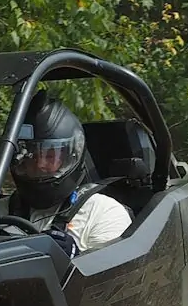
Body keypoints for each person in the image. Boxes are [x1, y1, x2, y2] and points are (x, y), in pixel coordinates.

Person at [9, 90, 133, 255]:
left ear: (72, 156)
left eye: (50, 155)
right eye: (30, 155)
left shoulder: (104, 213)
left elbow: (115, 274)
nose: (39, 164)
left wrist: (75, 257)